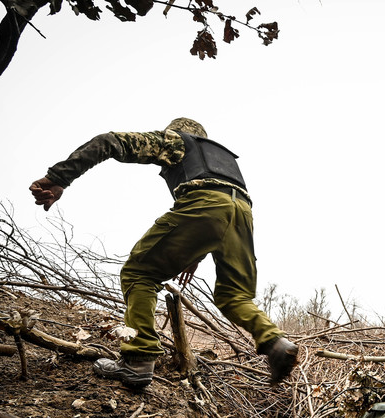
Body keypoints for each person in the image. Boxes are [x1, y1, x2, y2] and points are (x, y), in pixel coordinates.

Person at [29, 117, 298, 388]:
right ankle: (275, 342)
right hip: (242, 213)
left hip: (205, 205)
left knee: (139, 273)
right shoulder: (223, 160)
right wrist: (196, 252)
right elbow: (223, 206)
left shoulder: (177, 142)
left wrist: (59, 177)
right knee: (235, 296)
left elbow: (108, 142)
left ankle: (138, 359)